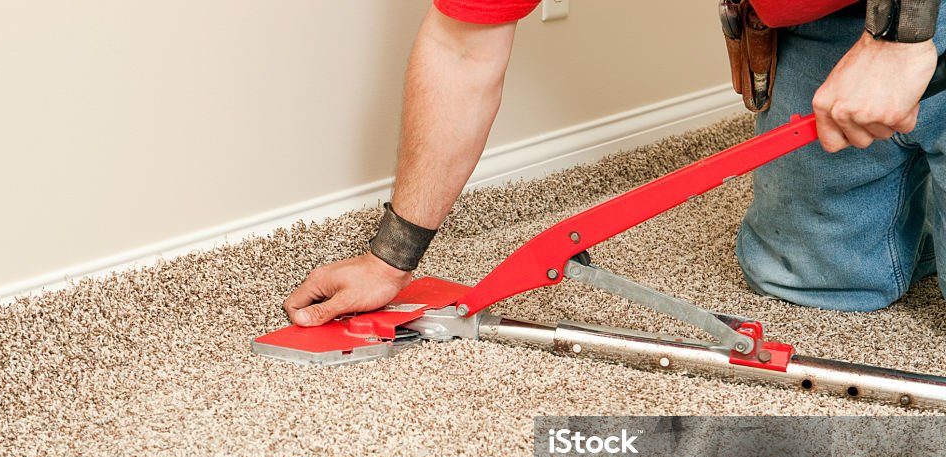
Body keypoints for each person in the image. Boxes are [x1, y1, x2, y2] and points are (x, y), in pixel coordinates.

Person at [284, 0, 944, 327]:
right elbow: (461, 51)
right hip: (833, 19)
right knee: (812, 278)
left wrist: (903, 35)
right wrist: (390, 258)